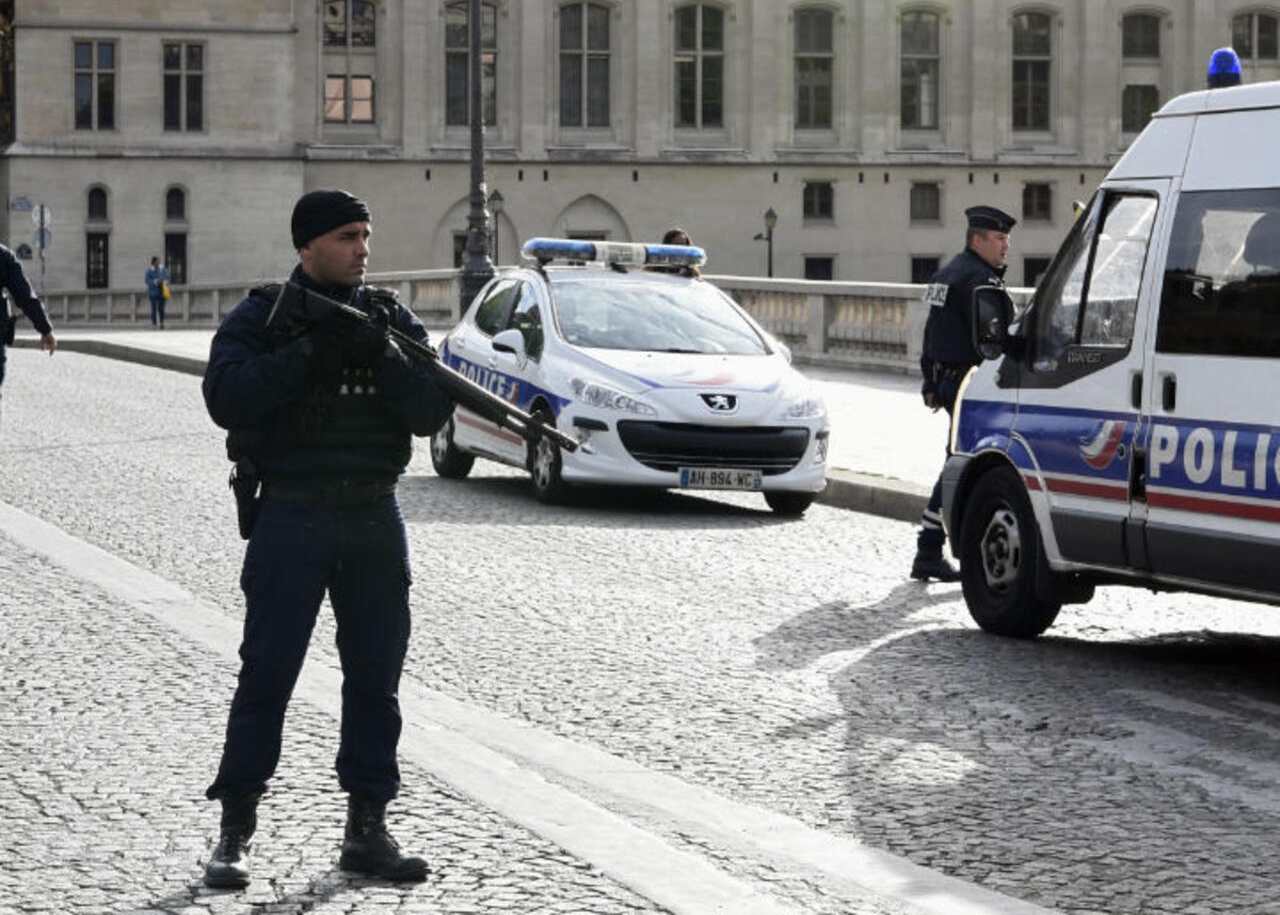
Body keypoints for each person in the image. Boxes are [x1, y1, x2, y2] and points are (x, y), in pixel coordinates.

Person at [200, 189, 455, 888]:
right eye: (347, 237)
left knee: (376, 680)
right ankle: (234, 830)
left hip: (373, 516)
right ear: (307, 245)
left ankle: (367, 829)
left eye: (366, 236)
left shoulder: (388, 317)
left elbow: (432, 411)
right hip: (292, 515)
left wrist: (384, 354)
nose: (362, 250)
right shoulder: (264, 316)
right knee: (267, 676)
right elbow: (226, 396)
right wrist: (310, 352)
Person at [911, 205, 1016, 582]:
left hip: (946, 379)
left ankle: (932, 547)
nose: (1006, 246)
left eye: (1007, 239)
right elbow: (999, 340)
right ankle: (929, 548)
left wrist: (929, 380)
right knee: (963, 461)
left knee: (959, 459)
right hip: (972, 383)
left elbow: (930, 331)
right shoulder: (980, 281)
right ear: (978, 240)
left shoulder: (947, 273)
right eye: (999, 238)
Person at [0, 242, 56, 395]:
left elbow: (25, 296)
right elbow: (25, 296)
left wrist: (45, 328)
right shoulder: (3, 255)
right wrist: (45, 329)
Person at [144, 256, 171, 328]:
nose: (158, 263)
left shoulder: (163, 270)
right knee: (154, 308)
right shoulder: (149, 271)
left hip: (162, 292)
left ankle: (161, 322)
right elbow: (147, 280)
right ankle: (154, 323)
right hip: (153, 292)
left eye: (159, 261)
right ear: (153, 263)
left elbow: (168, 278)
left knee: (161, 308)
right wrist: (156, 282)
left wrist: (163, 281)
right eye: (157, 262)